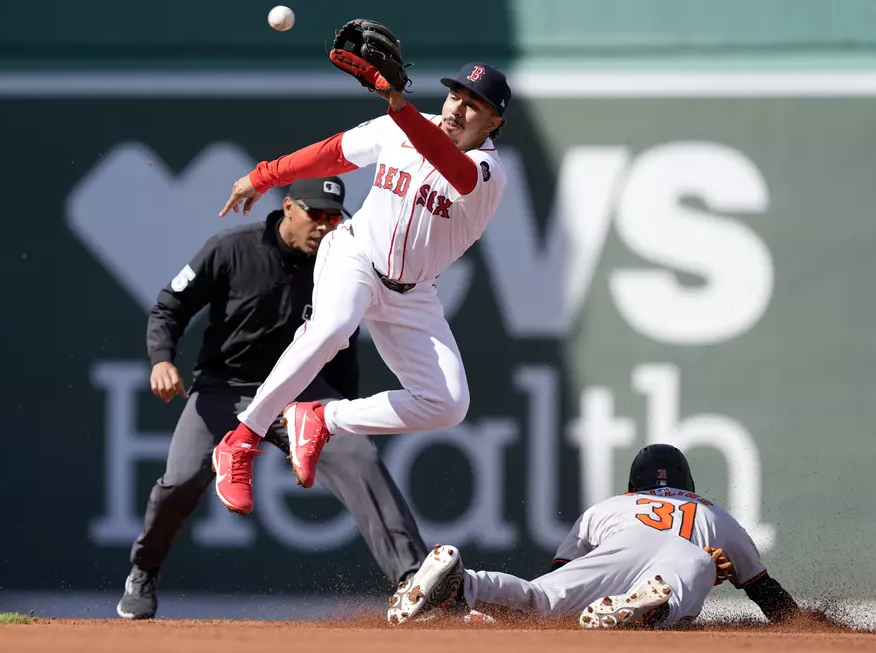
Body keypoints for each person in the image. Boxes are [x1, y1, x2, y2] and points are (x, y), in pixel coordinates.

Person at [210, 54, 511, 515]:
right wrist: (263, 175)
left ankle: (319, 417)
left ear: (493, 121)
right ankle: (242, 439)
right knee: (331, 330)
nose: (456, 109)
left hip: (412, 293)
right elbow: (334, 153)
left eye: (473, 105)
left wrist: (399, 107)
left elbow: (454, 168)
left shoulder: (490, 173)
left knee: (448, 404)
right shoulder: (403, 126)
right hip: (355, 255)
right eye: (455, 95)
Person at [116, 176, 427, 620]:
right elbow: (170, 306)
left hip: (298, 395)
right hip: (225, 389)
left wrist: (341, 414)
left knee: (358, 456)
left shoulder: (341, 263)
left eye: (334, 217)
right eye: (316, 214)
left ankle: (413, 580)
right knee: (181, 480)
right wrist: (162, 359)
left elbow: (343, 348)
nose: (325, 226)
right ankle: (143, 570)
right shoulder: (231, 248)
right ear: (288, 208)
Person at [389, 444, 800, 629]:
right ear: (687, 483)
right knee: (693, 572)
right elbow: (768, 596)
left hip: (621, 543)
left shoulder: (607, 507)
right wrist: (801, 624)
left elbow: (559, 572)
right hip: (686, 556)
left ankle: (465, 583)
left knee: (540, 599)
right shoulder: (715, 513)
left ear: (634, 483)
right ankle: (649, 608)